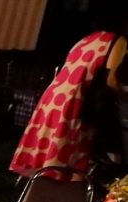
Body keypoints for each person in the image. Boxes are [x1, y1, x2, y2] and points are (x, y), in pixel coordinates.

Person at [10, 12, 126, 179]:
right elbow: (112, 81)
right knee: (70, 158)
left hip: (55, 96)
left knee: (49, 154)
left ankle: (38, 187)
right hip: (76, 100)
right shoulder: (117, 41)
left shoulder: (86, 40)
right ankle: (62, 190)